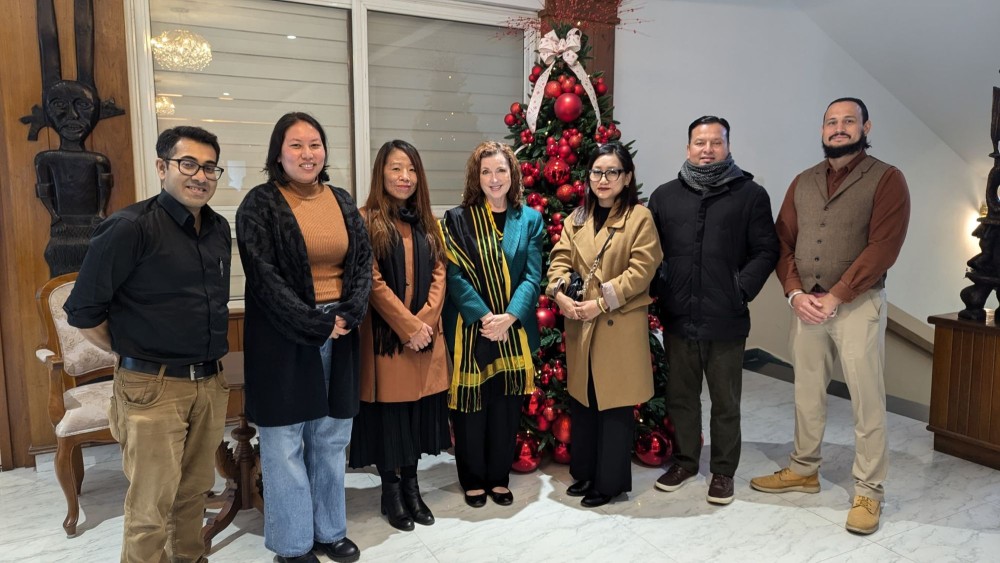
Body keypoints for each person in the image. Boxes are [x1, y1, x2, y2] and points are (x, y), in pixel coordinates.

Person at [64, 125, 231, 563]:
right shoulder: (128, 228)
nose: (200, 175)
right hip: (151, 388)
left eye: (210, 167)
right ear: (162, 167)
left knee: (194, 493)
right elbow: (84, 313)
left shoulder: (217, 229)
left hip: (209, 383)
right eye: (188, 163)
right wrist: (129, 353)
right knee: (150, 509)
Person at [750, 97, 910, 535]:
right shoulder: (803, 181)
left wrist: (837, 295)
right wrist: (794, 292)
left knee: (867, 401)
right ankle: (804, 469)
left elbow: (884, 247)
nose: (838, 128)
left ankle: (869, 491)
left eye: (848, 121)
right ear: (822, 130)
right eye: (831, 122)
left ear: (865, 126)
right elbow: (781, 242)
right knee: (806, 392)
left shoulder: (887, 179)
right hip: (807, 305)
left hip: (857, 305)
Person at [236, 112, 371, 563]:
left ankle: (330, 531)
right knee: (284, 440)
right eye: (296, 145)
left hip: (342, 330)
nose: (307, 153)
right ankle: (293, 546)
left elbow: (361, 264)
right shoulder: (259, 205)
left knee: (331, 436)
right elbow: (264, 279)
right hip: (283, 335)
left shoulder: (343, 200)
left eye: (315, 144)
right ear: (278, 152)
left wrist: (350, 311)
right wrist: (315, 323)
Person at [648, 116, 778, 505]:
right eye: (699, 143)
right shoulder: (664, 196)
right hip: (678, 316)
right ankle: (686, 461)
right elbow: (650, 252)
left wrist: (741, 289)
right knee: (681, 397)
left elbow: (767, 249)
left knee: (725, 401)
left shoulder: (751, 195)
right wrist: (660, 285)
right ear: (687, 149)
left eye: (715, 143)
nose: (707, 150)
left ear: (728, 147)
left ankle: (723, 471)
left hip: (726, 318)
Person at [547, 142, 663, 508]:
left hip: (617, 323)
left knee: (613, 406)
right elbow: (559, 260)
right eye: (597, 172)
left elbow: (642, 271)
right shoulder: (577, 218)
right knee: (584, 401)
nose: (603, 179)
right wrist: (560, 294)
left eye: (612, 172)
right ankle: (585, 472)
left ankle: (610, 483)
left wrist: (600, 302)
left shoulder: (639, 218)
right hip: (581, 323)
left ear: (627, 177)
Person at [349, 140, 451, 531]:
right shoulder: (364, 219)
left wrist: (425, 322)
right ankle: (391, 492)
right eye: (395, 168)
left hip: (424, 341)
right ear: (381, 174)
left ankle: (413, 487)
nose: (404, 177)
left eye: (410, 169)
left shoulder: (428, 221)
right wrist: (408, 327)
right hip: (387, 342)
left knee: (416, 417)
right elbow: (370, 281)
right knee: (391, 420)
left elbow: (441, 272)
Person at [440, 140, 545, 508]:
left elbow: (533, 277)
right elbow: (453, 276)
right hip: (472, 329)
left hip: (512, 331)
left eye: (501, 170)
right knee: (470, 409)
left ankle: (498, 477)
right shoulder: (456, 220)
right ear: (476, 177)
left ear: (512, 175)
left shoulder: (529, 219)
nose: (494, 178)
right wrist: (485, 317)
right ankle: (472, 479)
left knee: (504, 408)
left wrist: (509, 317)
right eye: (486, 171)